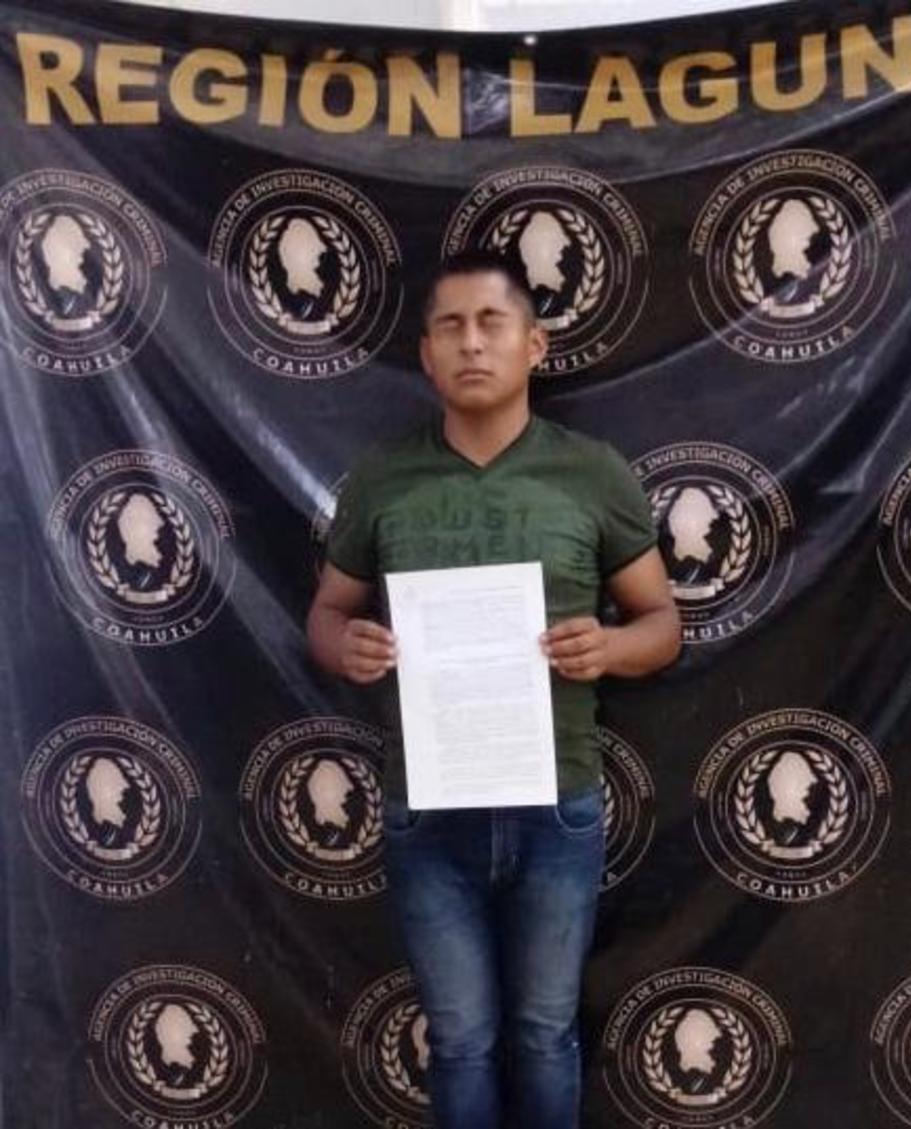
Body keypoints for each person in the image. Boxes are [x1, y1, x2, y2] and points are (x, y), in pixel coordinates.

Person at [307, 249, 679, 1128]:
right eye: (450, 326)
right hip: (427, 807)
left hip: (557, 801)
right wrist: (345, 645)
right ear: (426, 353)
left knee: (546, 1032)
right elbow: (325, 613)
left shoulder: (592, 473)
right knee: (461, 1038)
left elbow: (662, 623)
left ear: (534, 344)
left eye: (491, 322)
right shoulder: (383, 478)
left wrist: (609, 646)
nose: (471, 343)